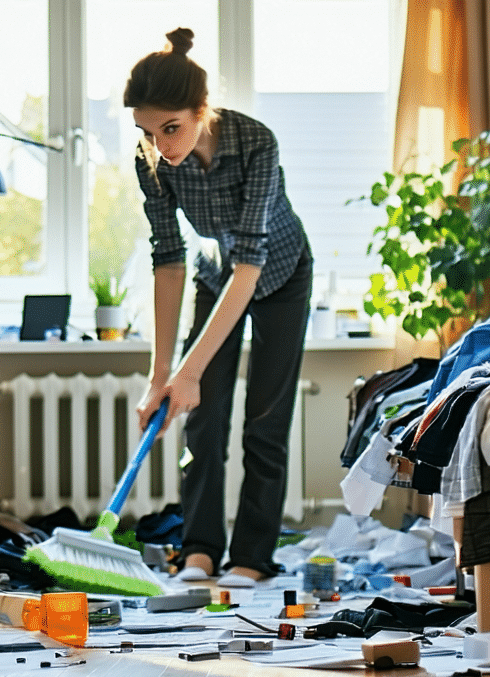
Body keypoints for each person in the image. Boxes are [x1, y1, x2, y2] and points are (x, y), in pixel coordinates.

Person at [125, 28, 312, 588]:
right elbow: (169, 259)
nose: (161, 145)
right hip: (215, 276)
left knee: (264, 422)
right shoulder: (151, 162)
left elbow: (251, 263)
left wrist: (189, 369)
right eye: (147, 131)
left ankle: (253, 556)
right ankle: (200, 549)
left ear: (202, 110)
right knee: (200, 419)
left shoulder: (257, 142)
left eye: (171, 128)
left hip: (278, 275)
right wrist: (163, 375)